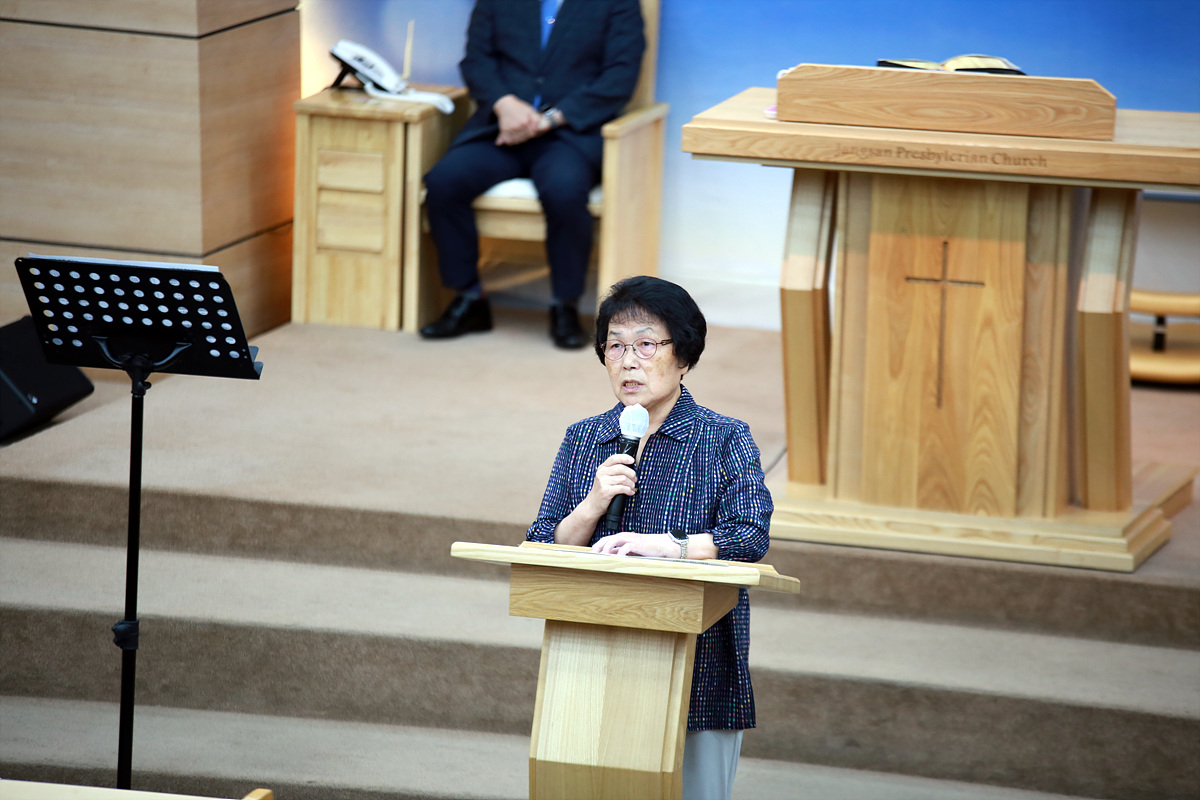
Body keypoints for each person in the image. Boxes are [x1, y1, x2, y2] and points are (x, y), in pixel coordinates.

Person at [526, 276, 773, 800]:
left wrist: (671, 547)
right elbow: (543, 545)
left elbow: (749, 534)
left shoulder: (723, 437)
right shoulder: (585, 438)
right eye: (615, 346)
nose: (628, 362)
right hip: (590, 662)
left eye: (645, 345)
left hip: (697, 672)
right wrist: (592, 505)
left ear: (683, 356)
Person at [420, 0, 646, 349]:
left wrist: (547, 120)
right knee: (443, 182)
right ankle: (469, 298)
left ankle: (564, 305)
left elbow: (620, 76)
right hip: (501, 129)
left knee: (564, 189)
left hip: (568, 133)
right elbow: (477, 60)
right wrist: (504, 104)